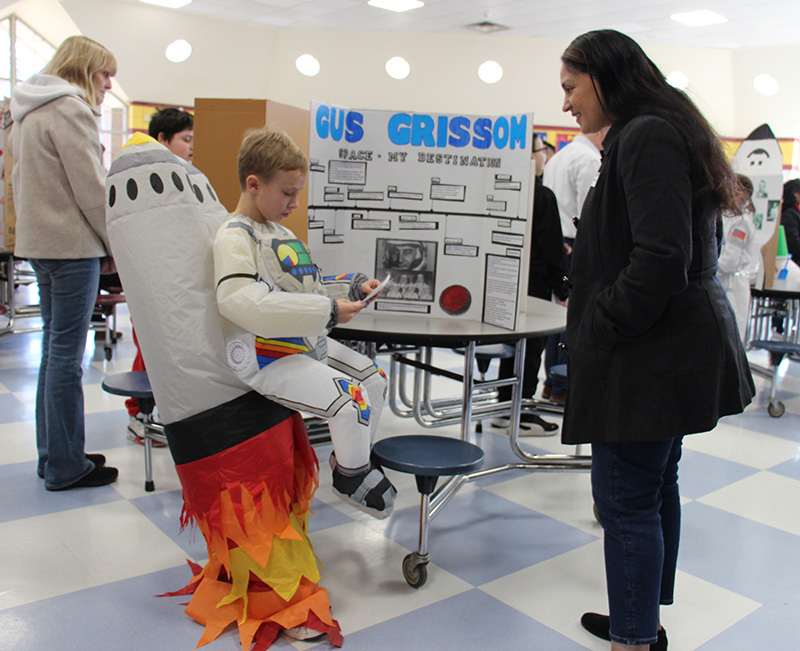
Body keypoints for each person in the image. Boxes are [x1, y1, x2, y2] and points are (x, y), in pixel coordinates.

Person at [558, 30, 755, 651]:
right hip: (665, 349)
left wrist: (599, 323)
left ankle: (635, 638)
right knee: (652, 484)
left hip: (645, 355)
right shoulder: (660, 129)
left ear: (604, 76)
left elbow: (663, 258)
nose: (565, 104)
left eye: (570, 87)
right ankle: (641, 620)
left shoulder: (645, 135)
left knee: (625, 500)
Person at [213, 126, 396, 519]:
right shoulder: (233, 237)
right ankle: (352, 475)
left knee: (375, 381)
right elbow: (240, 302)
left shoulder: (277, 231)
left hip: (303, 342)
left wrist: (352, 286)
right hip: (266, 354)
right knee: (350, 401)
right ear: (254, 184)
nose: (295, 202)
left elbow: (306, 284)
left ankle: (355, 460)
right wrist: (327, 312)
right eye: (288, 192)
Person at [9, 35, 120, 491]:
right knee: (66, 360)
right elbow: (91, 190)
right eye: (105, 74)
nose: (109, 84)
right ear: (84, 68)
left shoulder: (28, 110)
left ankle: (55, 454)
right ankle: (65, 465)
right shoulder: (70, 108)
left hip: (40, 246)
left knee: (54, 357)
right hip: (73, 248)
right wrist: (115, 245)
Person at [125, 107, 195, 444]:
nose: (191, 146)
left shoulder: (183, 174)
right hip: (150, 278)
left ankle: (155, 413)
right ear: (163, 139)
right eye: (185, 139)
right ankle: (138, 415)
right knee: (148, 348)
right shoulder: (142, 177)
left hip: (174, 278)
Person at [494, 133, 569, 434]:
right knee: (530, 349)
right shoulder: (541, 195)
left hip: (506, 281)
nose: (545, 156)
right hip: (535, 286)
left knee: (513, 346)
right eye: (542, 150)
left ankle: (504, 405)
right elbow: (552, 250)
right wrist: (564, 286)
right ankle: (520, 412)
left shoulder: (504, 189)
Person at [541, 126, 607, 404]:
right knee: (571, 316)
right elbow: (588, 214)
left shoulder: (560, 156)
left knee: (556, 315)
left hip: (556, 242)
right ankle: (562, 387)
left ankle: (550, 382)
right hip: (574, 243)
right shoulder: (589, 160)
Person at [718, 174, 760, 344]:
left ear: (745, 194)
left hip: (733, 288)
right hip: (724, 284)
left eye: (736, 190)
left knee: (732, 338)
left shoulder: (741, 223)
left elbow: (729, 262)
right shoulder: (726, 217)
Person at [780, 179, 800, 264]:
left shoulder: (793, 211)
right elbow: (793, 241)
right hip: (794, 261)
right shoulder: (789, 214)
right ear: (795, 193)